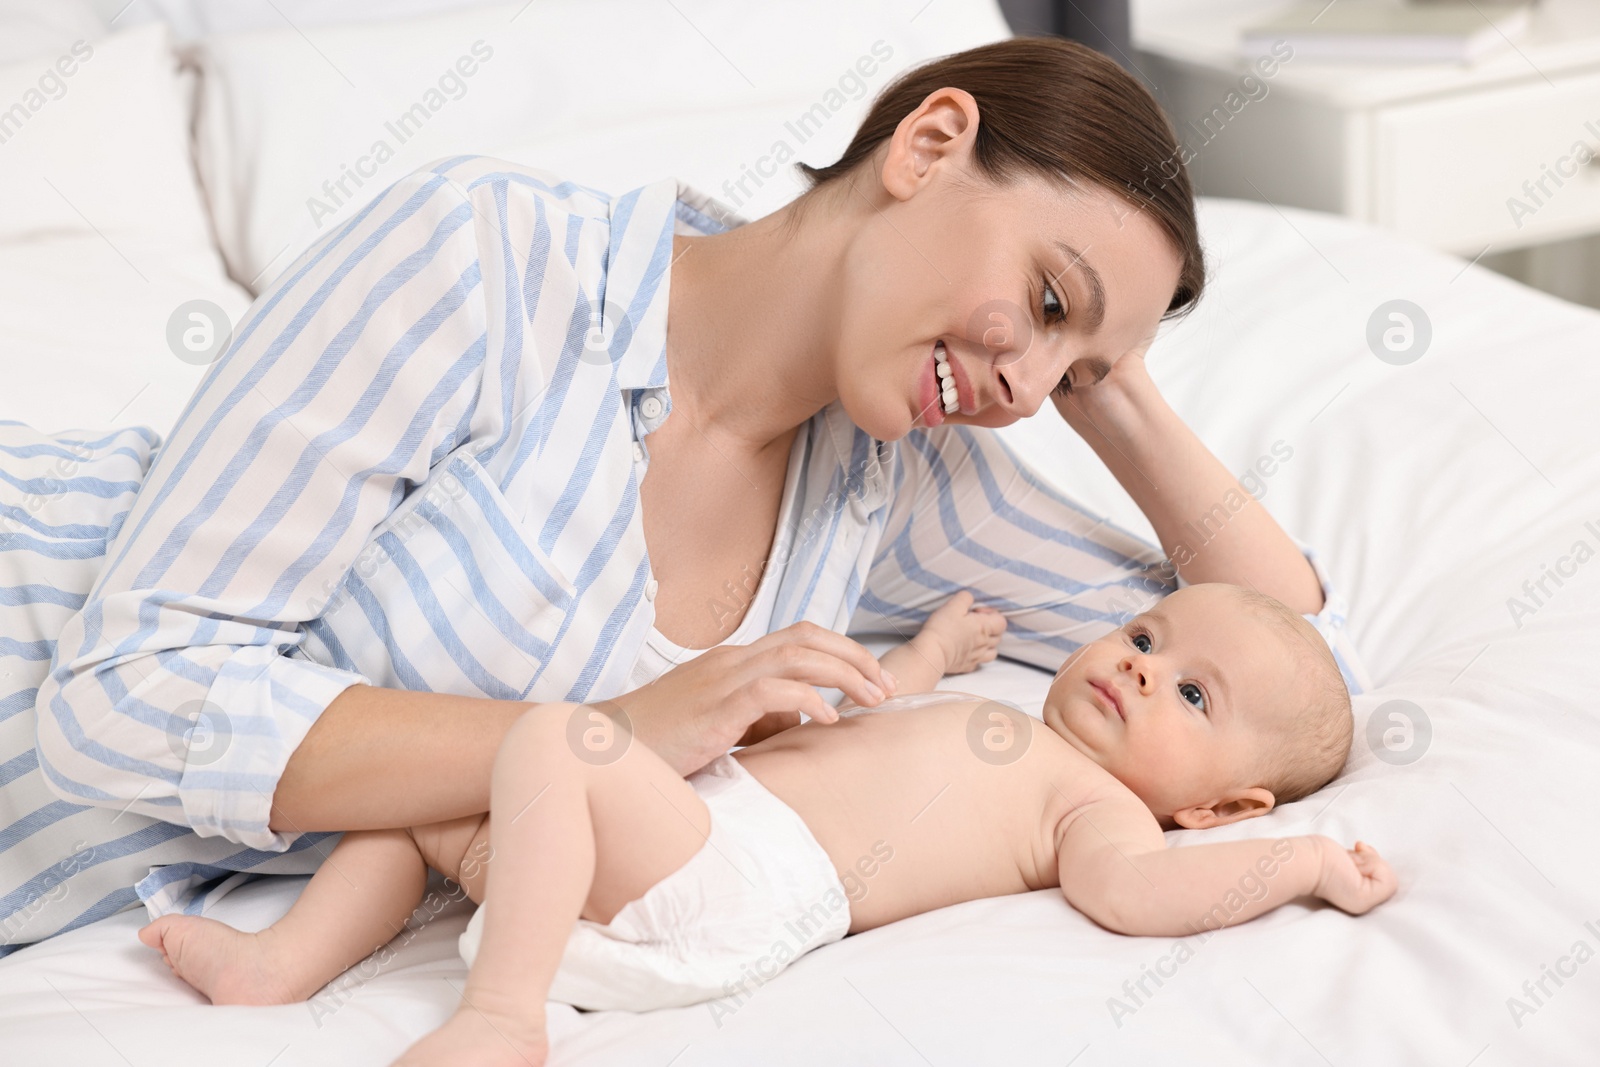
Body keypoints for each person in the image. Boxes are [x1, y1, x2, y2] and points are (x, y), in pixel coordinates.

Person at [9, 36, 1367, 949]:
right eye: (1050, 293)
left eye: (1076, 362)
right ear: (929, 142)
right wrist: (613, 729)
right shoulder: (482, 260)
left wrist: (1098, 362)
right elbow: (120, 697)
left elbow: (1260, 631)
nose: (1033, 381)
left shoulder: (894, 475)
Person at [135, 581, 1395, 1067]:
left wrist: (1301, 865)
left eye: (1188, 692)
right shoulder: (1002, 713)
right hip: (690, 828)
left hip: (741, 883)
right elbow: (875, 717)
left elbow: (1135, 894)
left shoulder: (1095, 805)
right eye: (1142, 631)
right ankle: (278, 964)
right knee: (426, 799)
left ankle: (503, 1018)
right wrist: (928, 653)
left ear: (1219, 802)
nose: (1134, 664)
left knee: (551, 734)